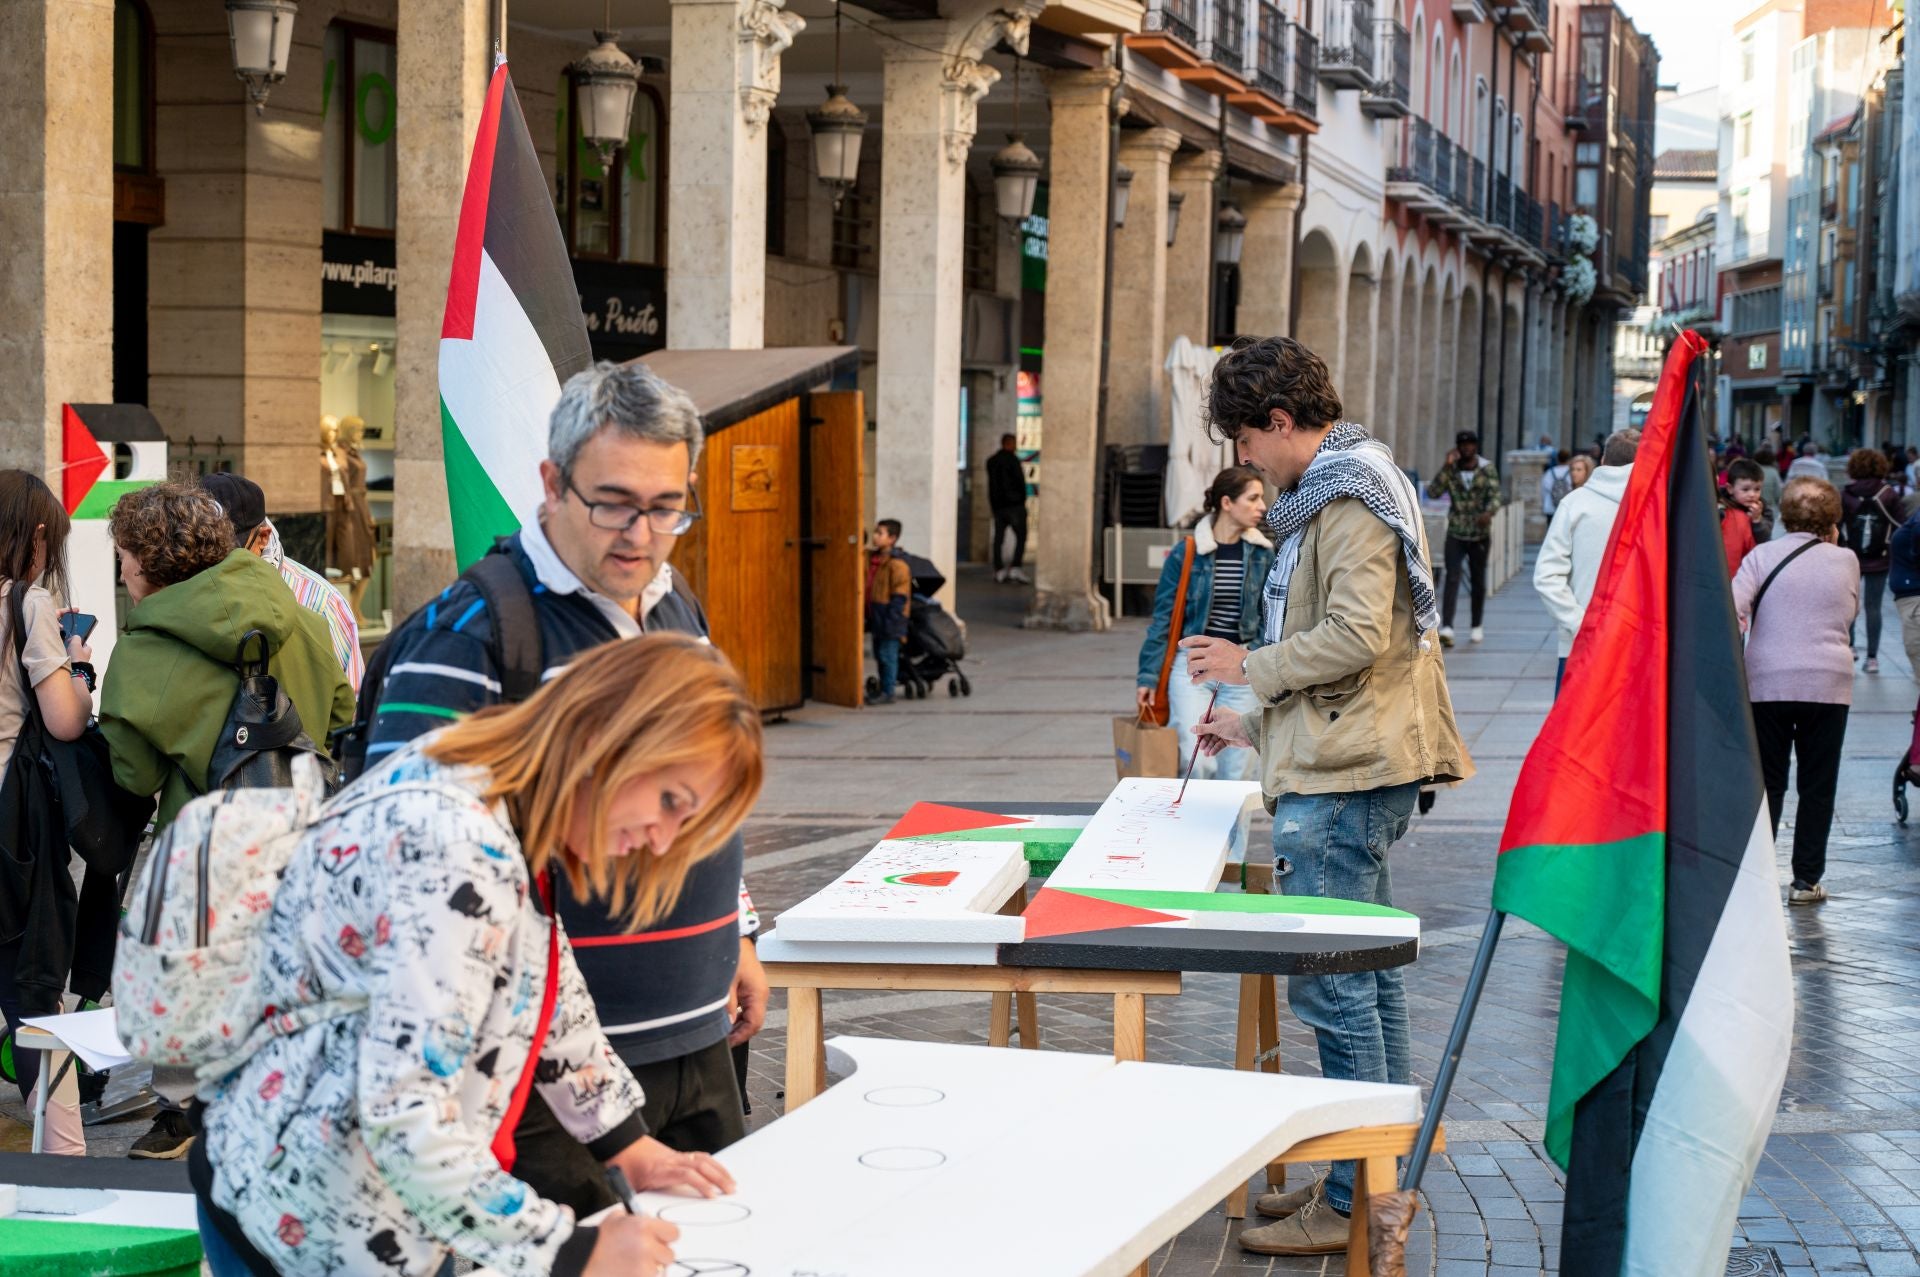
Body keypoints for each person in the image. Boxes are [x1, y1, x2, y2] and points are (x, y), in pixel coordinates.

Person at [192, 634, 760, 1277]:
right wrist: (569, 1252)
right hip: (298, 1222)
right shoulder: (456, 842)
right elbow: (406, 1110)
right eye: (668, 802)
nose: (661, 839)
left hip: (348, 1198)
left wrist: (622, 1142)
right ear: (609, 739)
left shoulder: (496, 795)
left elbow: (547, 984)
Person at [361, 362, 769, 1215]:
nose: (642, 533)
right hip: (553, 1075)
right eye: (614, 502)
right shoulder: (473, 628)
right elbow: (407, 860)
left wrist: (741, 928)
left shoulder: (672, 601)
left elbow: (696, 788)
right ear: (551, 481)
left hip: (694, 1031)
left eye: (666, 507)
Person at [1179, 337, 1471, 1255]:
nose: (1244, 463)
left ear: (1277, 421)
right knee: (1366, 976)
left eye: (1244, 439)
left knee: (1337, 990)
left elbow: (1352, 637)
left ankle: (1357, 1201)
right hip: (1349, 759)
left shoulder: (1345, 499)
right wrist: (1253, 723)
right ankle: (1373, 1175)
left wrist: (1245, 669)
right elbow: (1358, 654)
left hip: (1346, 778)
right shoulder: (1348, 483)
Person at [99, 483, 353, 834]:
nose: (122, 571)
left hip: (204, 855)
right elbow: (342, 722)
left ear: (144, 561)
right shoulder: (308, 623)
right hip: (303, 842)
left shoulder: (138, 653)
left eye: (122, 556)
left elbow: (137, 777)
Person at [0, 471, 99, 1157]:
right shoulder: (26, 603)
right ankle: (67, 1167)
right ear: (36, 535)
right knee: (36, 997)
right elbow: (64, 721)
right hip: (10, 832)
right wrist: (78, 667)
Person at [1733, 477, 1858, 907]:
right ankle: (1806, 881)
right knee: (1818, 784)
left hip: (1767, 681)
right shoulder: (1845, 560)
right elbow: (1849, 611)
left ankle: (1758, 875)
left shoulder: (1761, 555)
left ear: (1784, 514)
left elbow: (1735, 608)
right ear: (1832, 518)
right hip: (1828, 682)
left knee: (1768, 781)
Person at [1134, 466, 1274, 782]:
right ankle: (1192, 831)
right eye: (1253, 499)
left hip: (1242, 668)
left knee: (1235, 770)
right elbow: (1164, 619)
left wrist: (1261, 660)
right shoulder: (1187, 553)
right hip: (1193, 667)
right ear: (1227, 503)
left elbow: (1270, 618)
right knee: (1195, 760)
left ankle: (1232, 835)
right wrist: (1148, 675)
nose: (1261, 507)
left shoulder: (1264, 554)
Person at [198, 472, 364, 690]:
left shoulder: (322, 604)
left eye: (226, 551)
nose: (211, 560)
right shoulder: (176, 587)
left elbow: (352, 704)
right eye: (200, 547)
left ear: (263, 537)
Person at [1533, 429, 1640, 696]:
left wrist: (1580, 623)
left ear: (1603, 461)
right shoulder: (1655, 507)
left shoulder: (1575, 504)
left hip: (1579, 644)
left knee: (1575, 735)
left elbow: (1546, 576)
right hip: (1638, 644)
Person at [1424, 429, 1503, 647]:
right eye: (1462, 444)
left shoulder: (1487, 469)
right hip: (1457, 532)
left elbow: (1496, 495)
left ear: (1476, 446)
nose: (1467, 447)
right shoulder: (1452, 470)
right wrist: (1447, 466)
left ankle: (1476, 625)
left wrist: (1489, 512)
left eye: (1470, 444)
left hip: (1479, 534)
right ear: (1458, 447)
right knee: (1452, 577)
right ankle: (1447, 626)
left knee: (1478, 581)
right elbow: (1433, 492)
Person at [1841, 448, 1903, 674]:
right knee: (1873, 607)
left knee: (1850, 604)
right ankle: (1873, 659)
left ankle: (1851, 648)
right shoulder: (1889, 494)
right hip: (1881, 558)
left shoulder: (1846, 493)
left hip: (1851, 556)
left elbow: (1837, 526)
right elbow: (1900, 525)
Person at [866, 519, 911, 705]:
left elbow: (900, 595)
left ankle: (888, 691)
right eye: (875, 532)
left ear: (892, 538)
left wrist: (893, 618)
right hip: (876, 613)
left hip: (890, 615)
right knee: (879, 653)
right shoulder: (874, 559)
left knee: (887, 654)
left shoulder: (897, 565)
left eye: (880, 533)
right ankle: (884, 687)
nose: (875, 536)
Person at [985, 433, 1029, 584]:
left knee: (998, 538)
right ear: (1009, 444)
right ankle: (1015, 567)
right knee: (1021, 536)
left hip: (998, 507)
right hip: (1014, 506)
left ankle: (999, 569)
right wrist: (1021, 500)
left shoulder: (991, 461)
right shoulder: (1012, 461)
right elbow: (1019, 483)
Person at [1720, 457, 1772, 577]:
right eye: (1745, 489)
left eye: (1757, 489)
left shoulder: (1763, 509)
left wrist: (1757, 520)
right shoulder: (1721, 509)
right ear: (1730, 489)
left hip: (1748, 568)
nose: (1752, 494)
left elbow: (1764, 540)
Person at [1539, 450, 1574, 520]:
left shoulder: (1549, 472)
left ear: (1557, 459)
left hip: (1550, 508)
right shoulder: (1572, 472)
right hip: (1567, 508)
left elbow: (1543, 490)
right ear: (1569, 459)